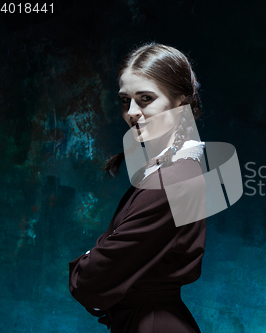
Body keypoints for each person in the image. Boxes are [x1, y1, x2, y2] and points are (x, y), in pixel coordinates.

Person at [69, 42, 206, 333]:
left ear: (180, 101)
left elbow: (92, 279)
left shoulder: (174, 179)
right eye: (124, 100)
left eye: (145, 99)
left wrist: (88, 262)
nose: (132, 112)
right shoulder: (165, 171)